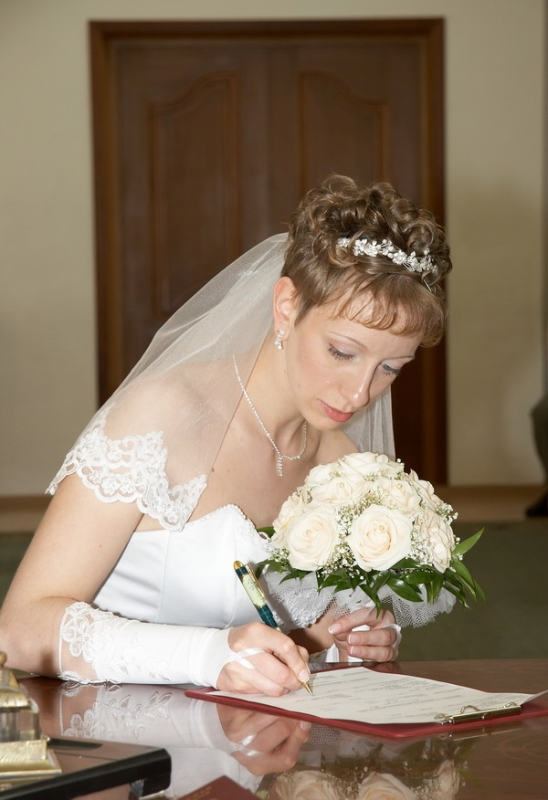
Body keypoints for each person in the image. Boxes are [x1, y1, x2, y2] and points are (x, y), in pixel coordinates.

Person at [0, 176, 452, 696]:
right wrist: (205, 654)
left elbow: (274, 647)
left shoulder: (343, 465)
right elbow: (19, 629)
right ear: (287, 306)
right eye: (342, 352)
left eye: (390, 368)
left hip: (254, 737)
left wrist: (337, 641)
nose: (359, 393)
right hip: (118, 728)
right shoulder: (161, 416)